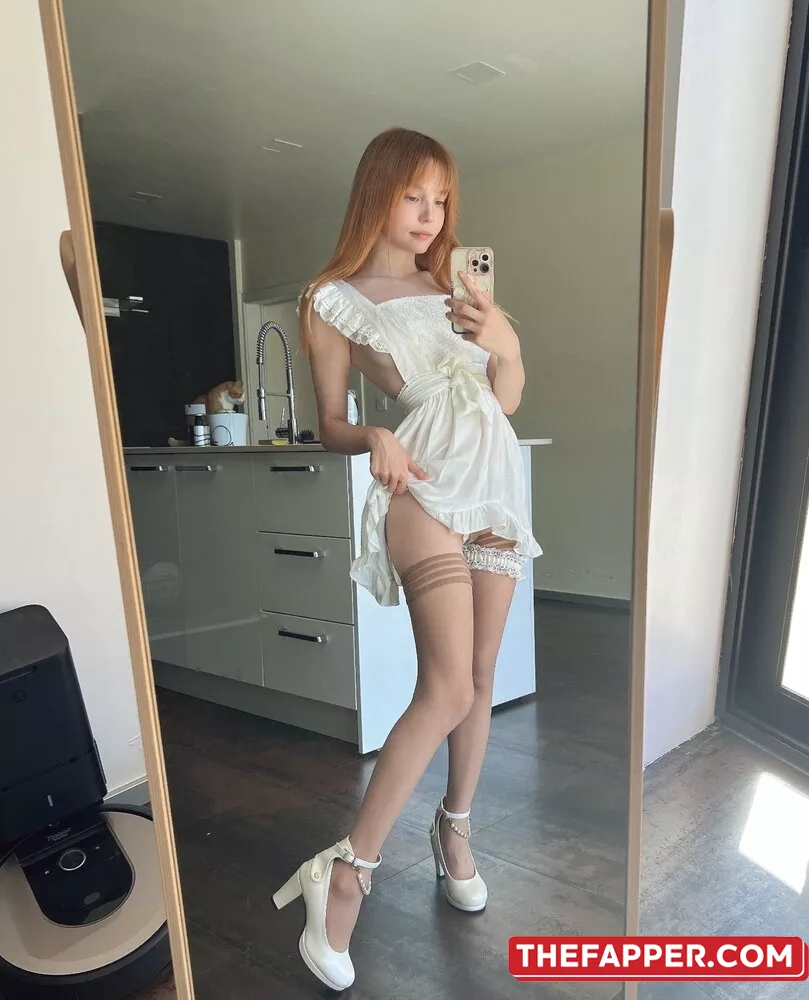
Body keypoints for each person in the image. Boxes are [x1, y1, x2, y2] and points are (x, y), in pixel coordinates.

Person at [272, 126, 542, 991]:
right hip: (422, 485)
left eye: (440, 199)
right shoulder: (332, 298)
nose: (429, 215)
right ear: (377, 193)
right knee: (447, 685)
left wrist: (502, 338)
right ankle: (346, 872)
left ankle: (453, 829)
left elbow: (503, 399)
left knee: (482, 673)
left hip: (492, 486)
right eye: (412, 195)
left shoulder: (458, 288)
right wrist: (373, 436)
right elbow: (329, 423)